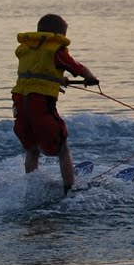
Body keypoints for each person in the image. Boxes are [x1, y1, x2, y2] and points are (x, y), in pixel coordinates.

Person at [12, 13, 98, 193]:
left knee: (32, 150)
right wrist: (90, 77)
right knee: (63, 148)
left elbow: (38, 73)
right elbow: (77, 68)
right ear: (57, 34)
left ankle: (32, 189)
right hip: (41, 107)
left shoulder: (27, 49)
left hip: (20, 107)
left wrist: (57, 80)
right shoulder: (55, 50)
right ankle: (70, 189)